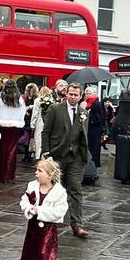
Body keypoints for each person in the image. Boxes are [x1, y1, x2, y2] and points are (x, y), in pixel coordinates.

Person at [41, 83, 90, 238]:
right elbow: (46, 132)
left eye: (76, 95)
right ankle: (49, 222)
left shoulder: (83, 112)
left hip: (76, 157)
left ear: (80, 95)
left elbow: (84, 135)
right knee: (55, 190)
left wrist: (85, 154)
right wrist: (47, 152)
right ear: (66, 94)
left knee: (75, 189)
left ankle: (77, 225)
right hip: (57, 155)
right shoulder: (55, 109)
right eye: (70, 94)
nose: (73, 97)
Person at [18, 158, 69, 260]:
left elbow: (60, 211)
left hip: (47, 230)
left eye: (40, 171)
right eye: (36, 170)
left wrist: (40, 211)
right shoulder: (32, 186)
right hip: (33, 228)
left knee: (45, 255)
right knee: (32, 252)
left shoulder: (59, 193)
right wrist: (28, 208)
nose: (36, 173)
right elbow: (24, 200)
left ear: (50, 175)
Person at [0, 80, 26, 183]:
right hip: (14, 127)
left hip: (0, 126)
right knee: (11, 151)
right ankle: (8, 175)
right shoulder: (19, 99)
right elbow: (23, 112)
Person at [29, 86, 53, 160]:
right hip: (48, 122)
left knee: (38, 140)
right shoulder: (52, 100)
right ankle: (44, 157)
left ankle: (38, 158)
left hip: (39, 122)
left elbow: (35, 114)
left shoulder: (37, 100)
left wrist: (32, 124)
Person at [85, 86, 107, 168]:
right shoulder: (86, 103)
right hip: (89, 129)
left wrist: (88, 118)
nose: (87, 95)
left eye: (89, 93)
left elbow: (99, 117)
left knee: (95, 148)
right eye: (86, 93)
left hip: (95, 130)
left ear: (93, 94)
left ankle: (95, 164)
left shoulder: (97, 103)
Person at [22, 83, 40, 163]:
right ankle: (26, 155)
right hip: (26, 120)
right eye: (29, 90)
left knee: (31, 139)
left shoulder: (37, 98)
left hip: (32, 120)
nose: (30, 91)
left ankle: (29, 156)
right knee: (26, 139)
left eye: (32, 90)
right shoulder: (25, 98)